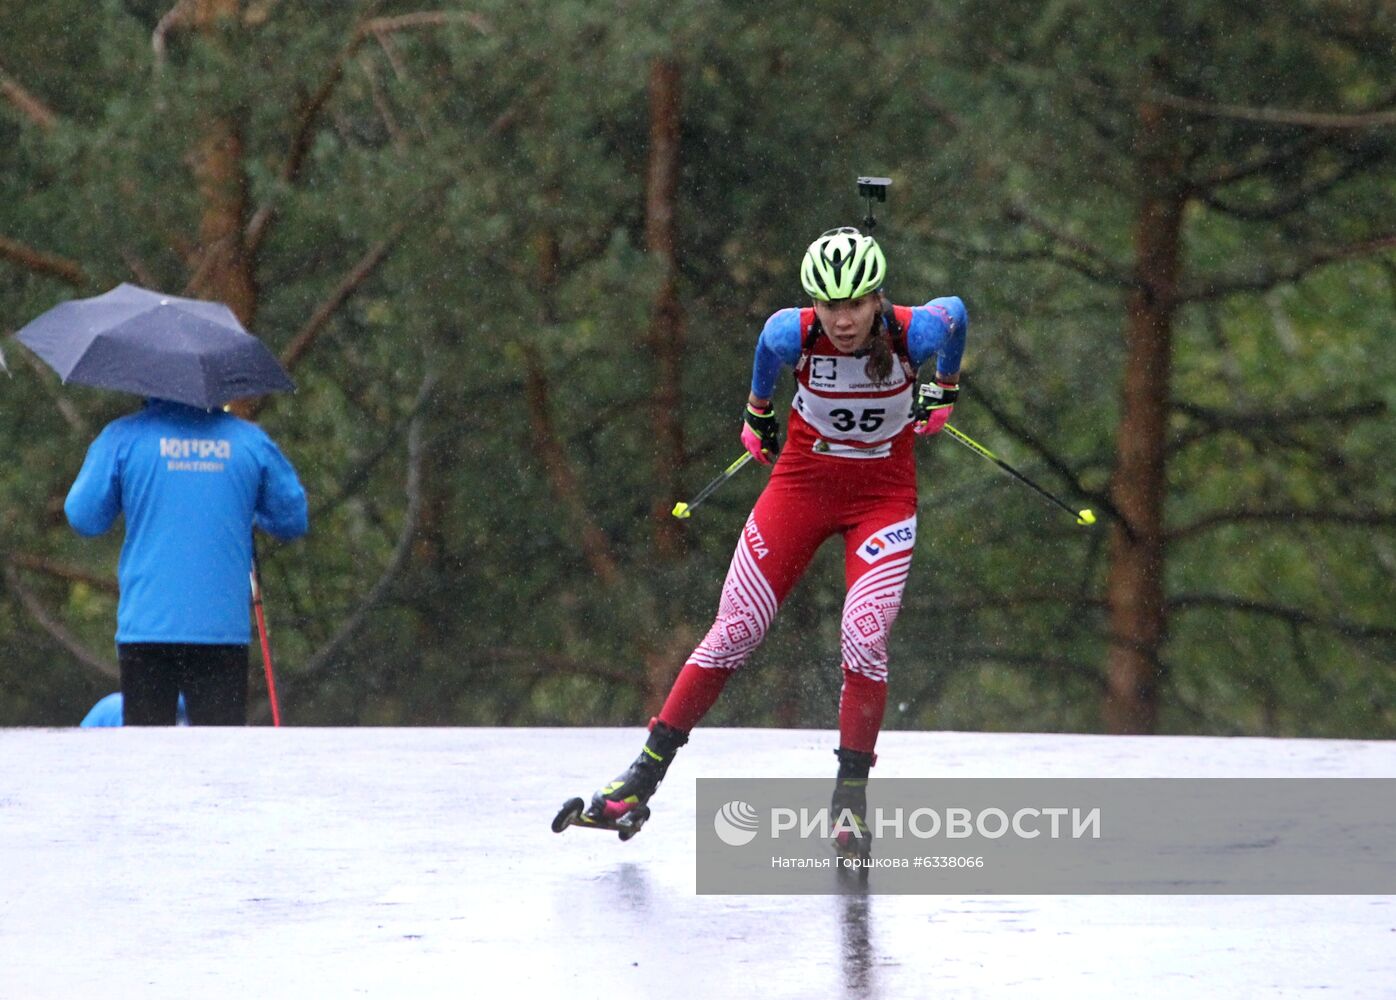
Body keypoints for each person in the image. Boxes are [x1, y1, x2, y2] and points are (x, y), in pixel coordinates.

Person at [588, 227, 967, 857]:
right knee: (734, 631)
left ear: (876, 299)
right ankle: (641, 778)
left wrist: (944, 387)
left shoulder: (914, 333)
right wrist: (757, 412)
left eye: (854, 305)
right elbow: (766, 354)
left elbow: (956, 314)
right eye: (828, 305)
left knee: (865, 639)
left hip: (883, 498)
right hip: (801, 487)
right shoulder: (792, 333)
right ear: (813, 303)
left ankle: (850, 802)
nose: (842, 321)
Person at [65, 399, 308, 726]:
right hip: (222, 631)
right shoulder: (250, 442)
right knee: (220, 760)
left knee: (146, 757)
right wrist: (248, 508)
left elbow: (84, 517)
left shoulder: (123, 437)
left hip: (148, 627)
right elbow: (292, 520)